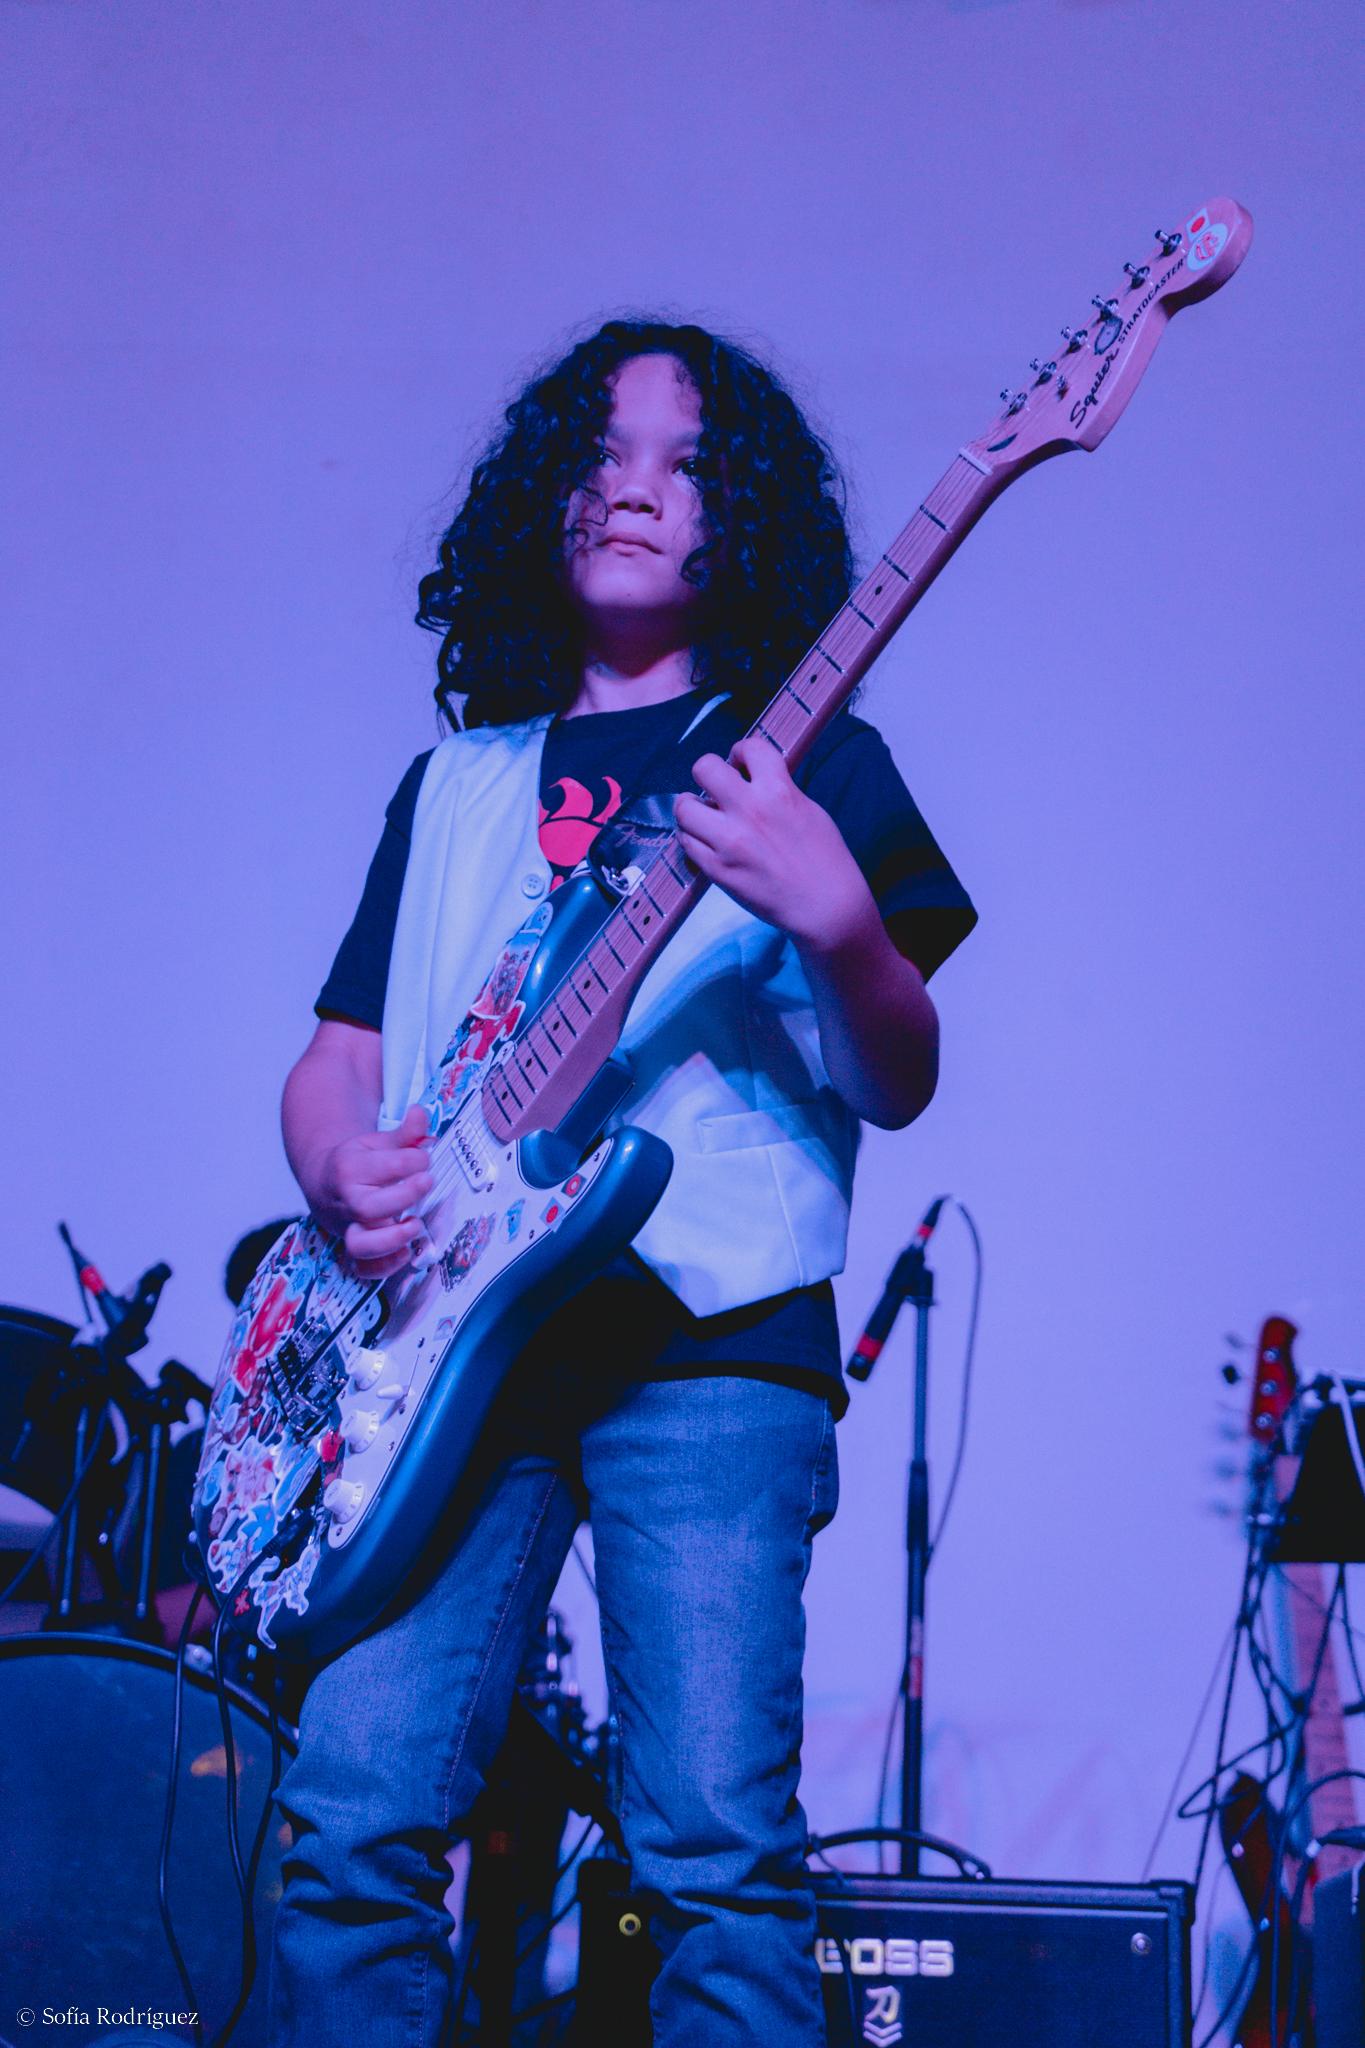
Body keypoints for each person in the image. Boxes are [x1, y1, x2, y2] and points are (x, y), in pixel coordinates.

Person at [267, 321, 975, 2047]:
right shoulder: (454, 787)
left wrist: (837, 919)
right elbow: (335, 1058)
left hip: (710, 1344)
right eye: (600, 452)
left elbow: (899, 1074)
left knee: (715, 1852)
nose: (632, 489)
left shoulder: (813, 770)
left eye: (683, 462)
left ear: (741, 524)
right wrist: (333, 1158)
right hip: (441, 1364)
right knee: (344, 1827)